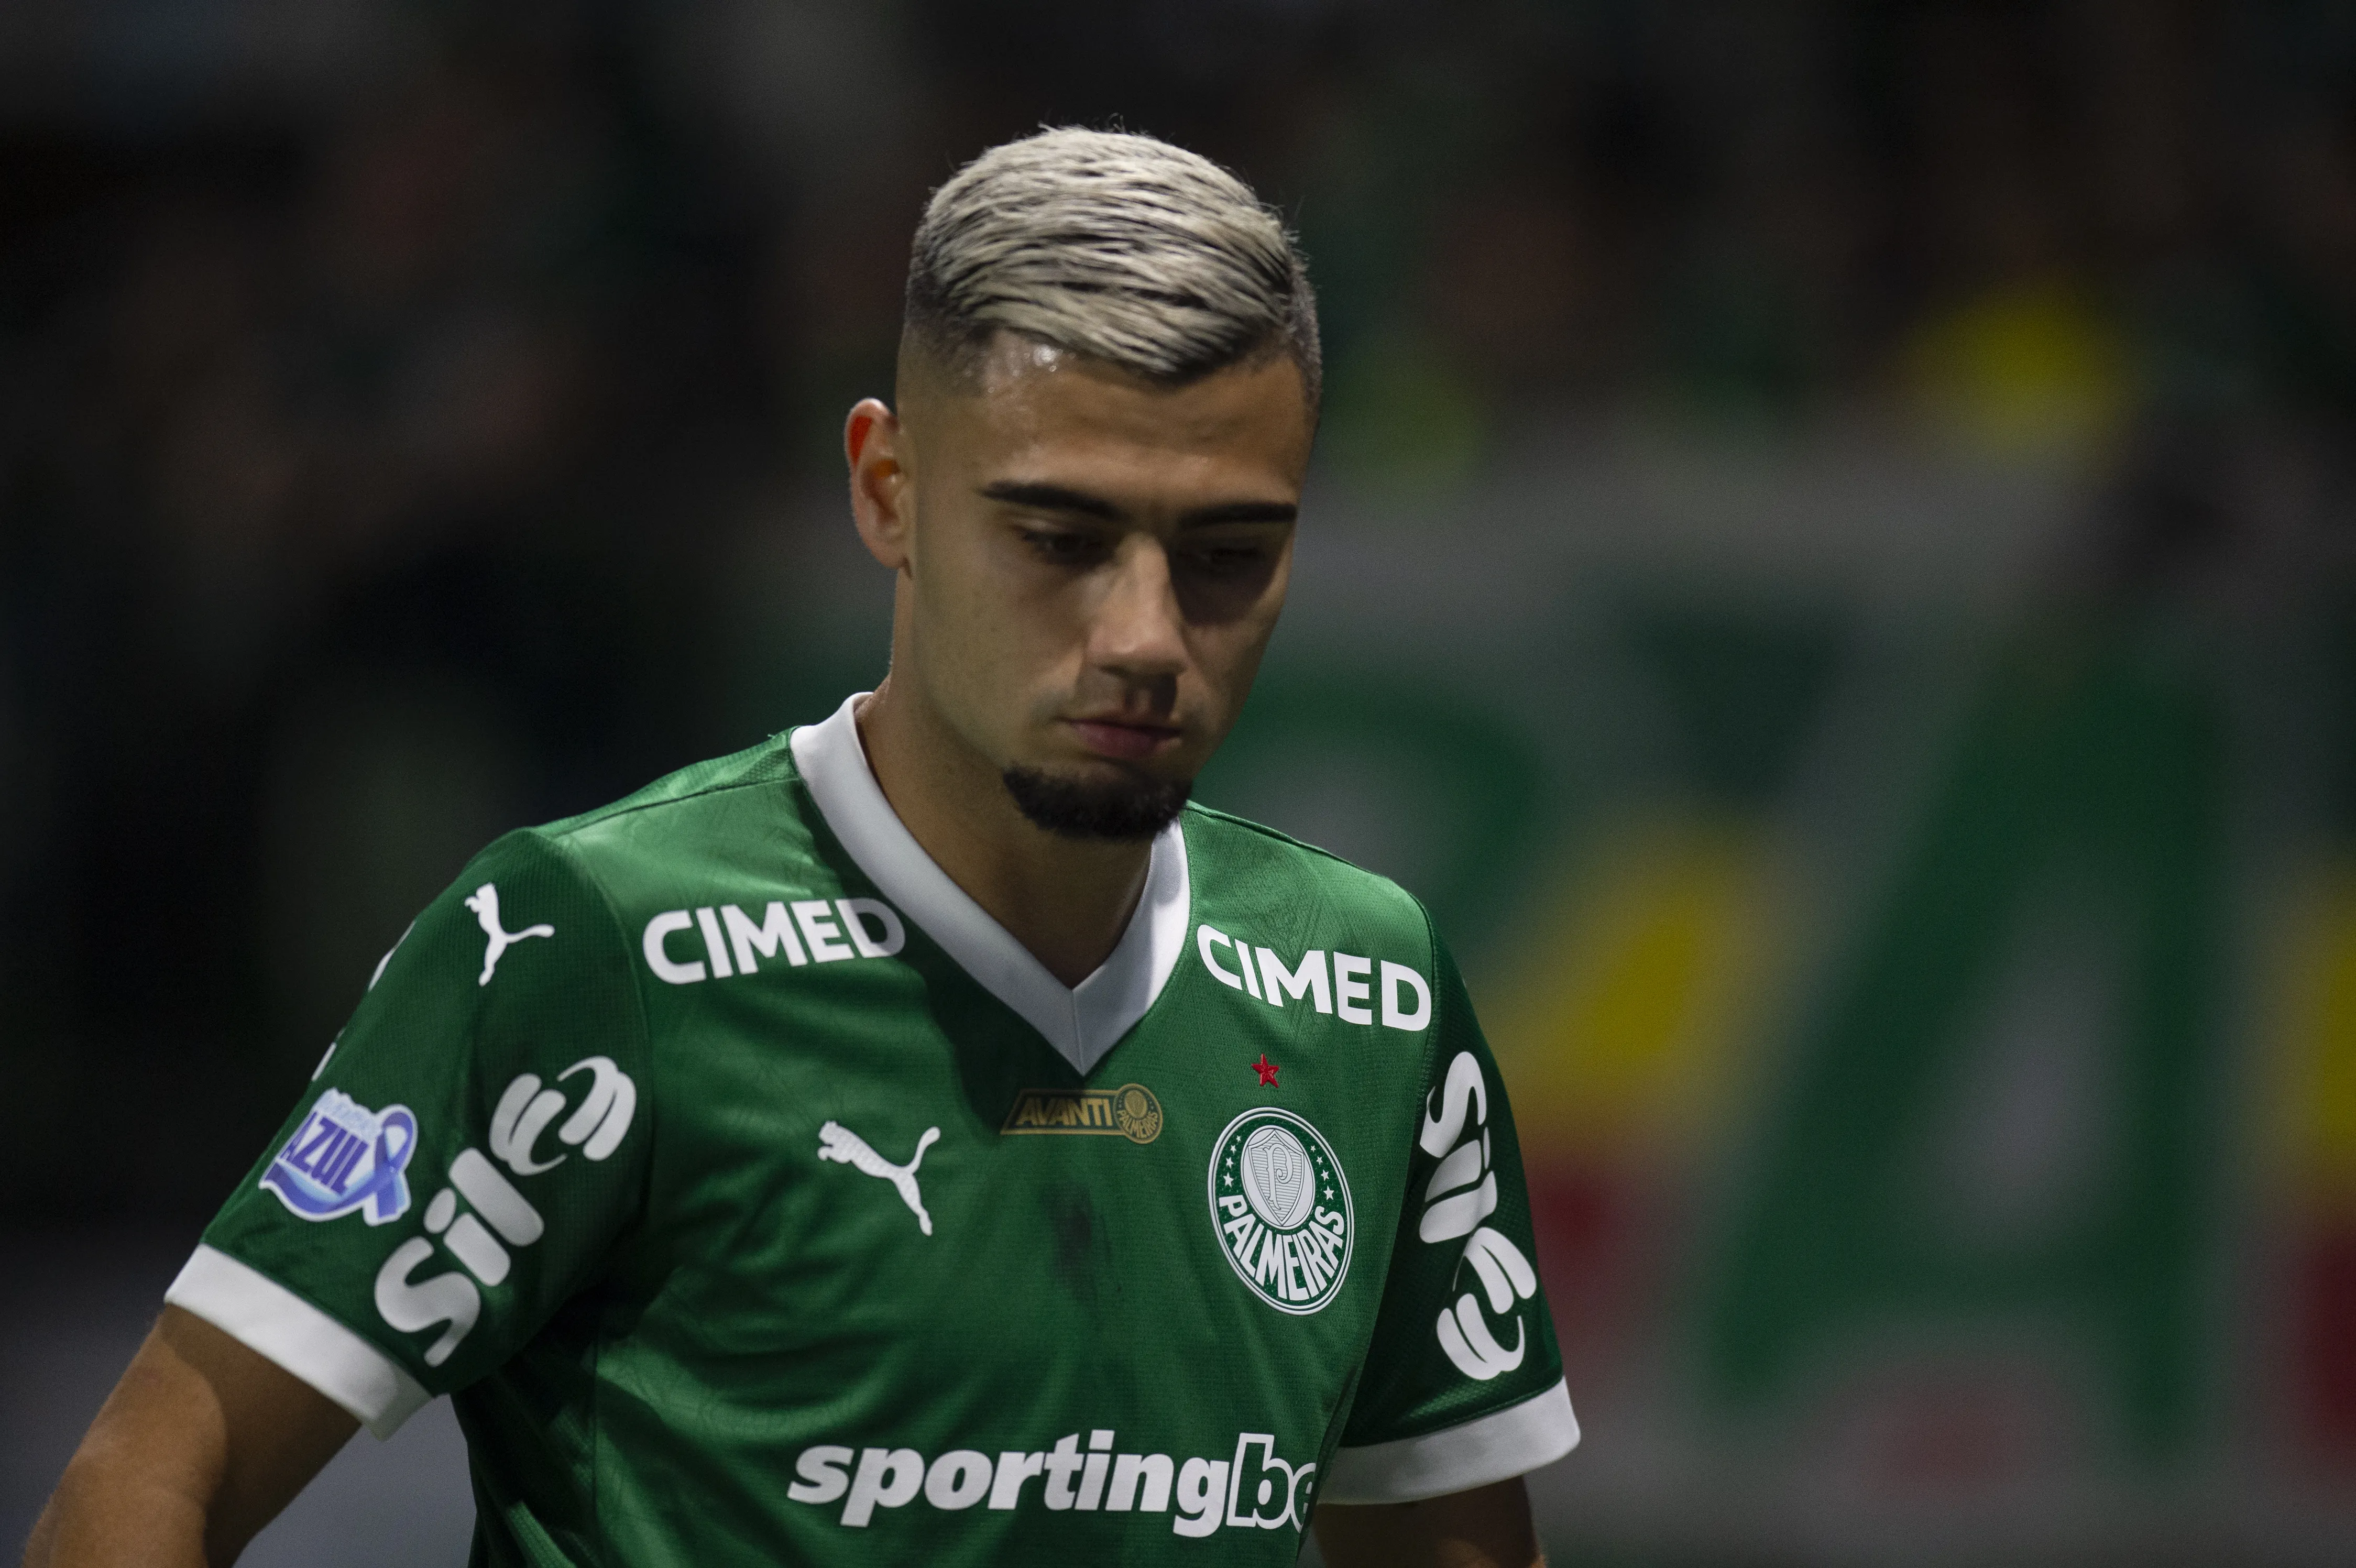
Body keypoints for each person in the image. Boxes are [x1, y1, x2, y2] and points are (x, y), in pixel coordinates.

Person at [26, 127, 1576, 1567]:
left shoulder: (1368, 995)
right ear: (888, 491)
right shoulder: (592, 944)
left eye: (1230, 555)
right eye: (1060, 540)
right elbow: (165, 1464)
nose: (1147, 636)